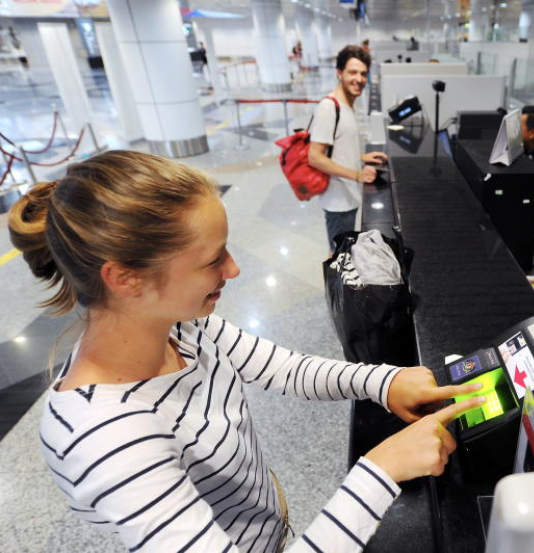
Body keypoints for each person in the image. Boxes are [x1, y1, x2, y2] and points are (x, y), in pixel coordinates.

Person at [9, 150, 484, 552]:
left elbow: (285, 369)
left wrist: (383, 381)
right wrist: (381, 470)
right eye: (212, 258)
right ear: (125, 278)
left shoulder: (181, 325)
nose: (234, 269)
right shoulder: (105, 438)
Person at [308, 45, 387, 252]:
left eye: (363, 74)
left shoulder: (347, 105)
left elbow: (337, 148)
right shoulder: (328, 108)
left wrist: (361, 156)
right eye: (352, 72)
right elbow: (315, 157)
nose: (359, 79)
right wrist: (357, 175)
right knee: (339, 256)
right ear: (339, 72)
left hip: (347, 195)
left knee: (343, 251)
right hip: (338, 201)